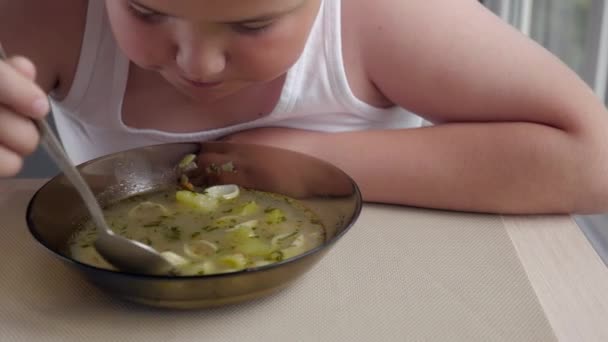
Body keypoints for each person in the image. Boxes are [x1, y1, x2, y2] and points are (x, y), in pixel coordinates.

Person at [1, 0, 607, 214]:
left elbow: (595, 162)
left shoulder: (385, 16)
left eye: (255, 23)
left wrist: (305, 160)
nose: (197, 64)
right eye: (146, 12)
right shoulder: (49, 13)